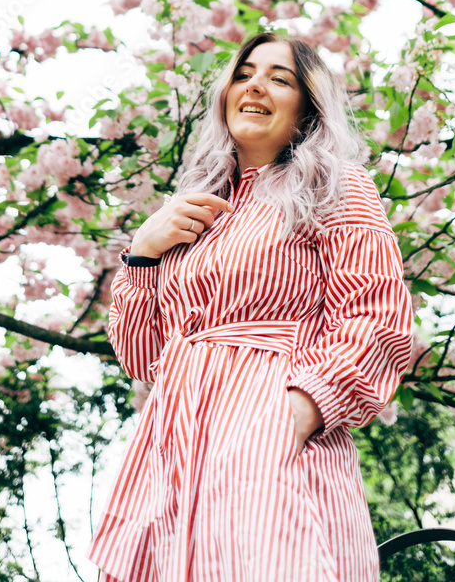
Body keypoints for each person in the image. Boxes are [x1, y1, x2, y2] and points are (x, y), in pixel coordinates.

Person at [88, 32, 413, 582]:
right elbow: (144, 360)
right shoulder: (194, 213)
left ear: (308, 108)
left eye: (279, 78)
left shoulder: (336, 187)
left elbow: (378, 318)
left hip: (271, 430)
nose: (255, 84)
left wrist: (294, 414)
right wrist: (143, 253)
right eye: (243, 73)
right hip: (174, 442)